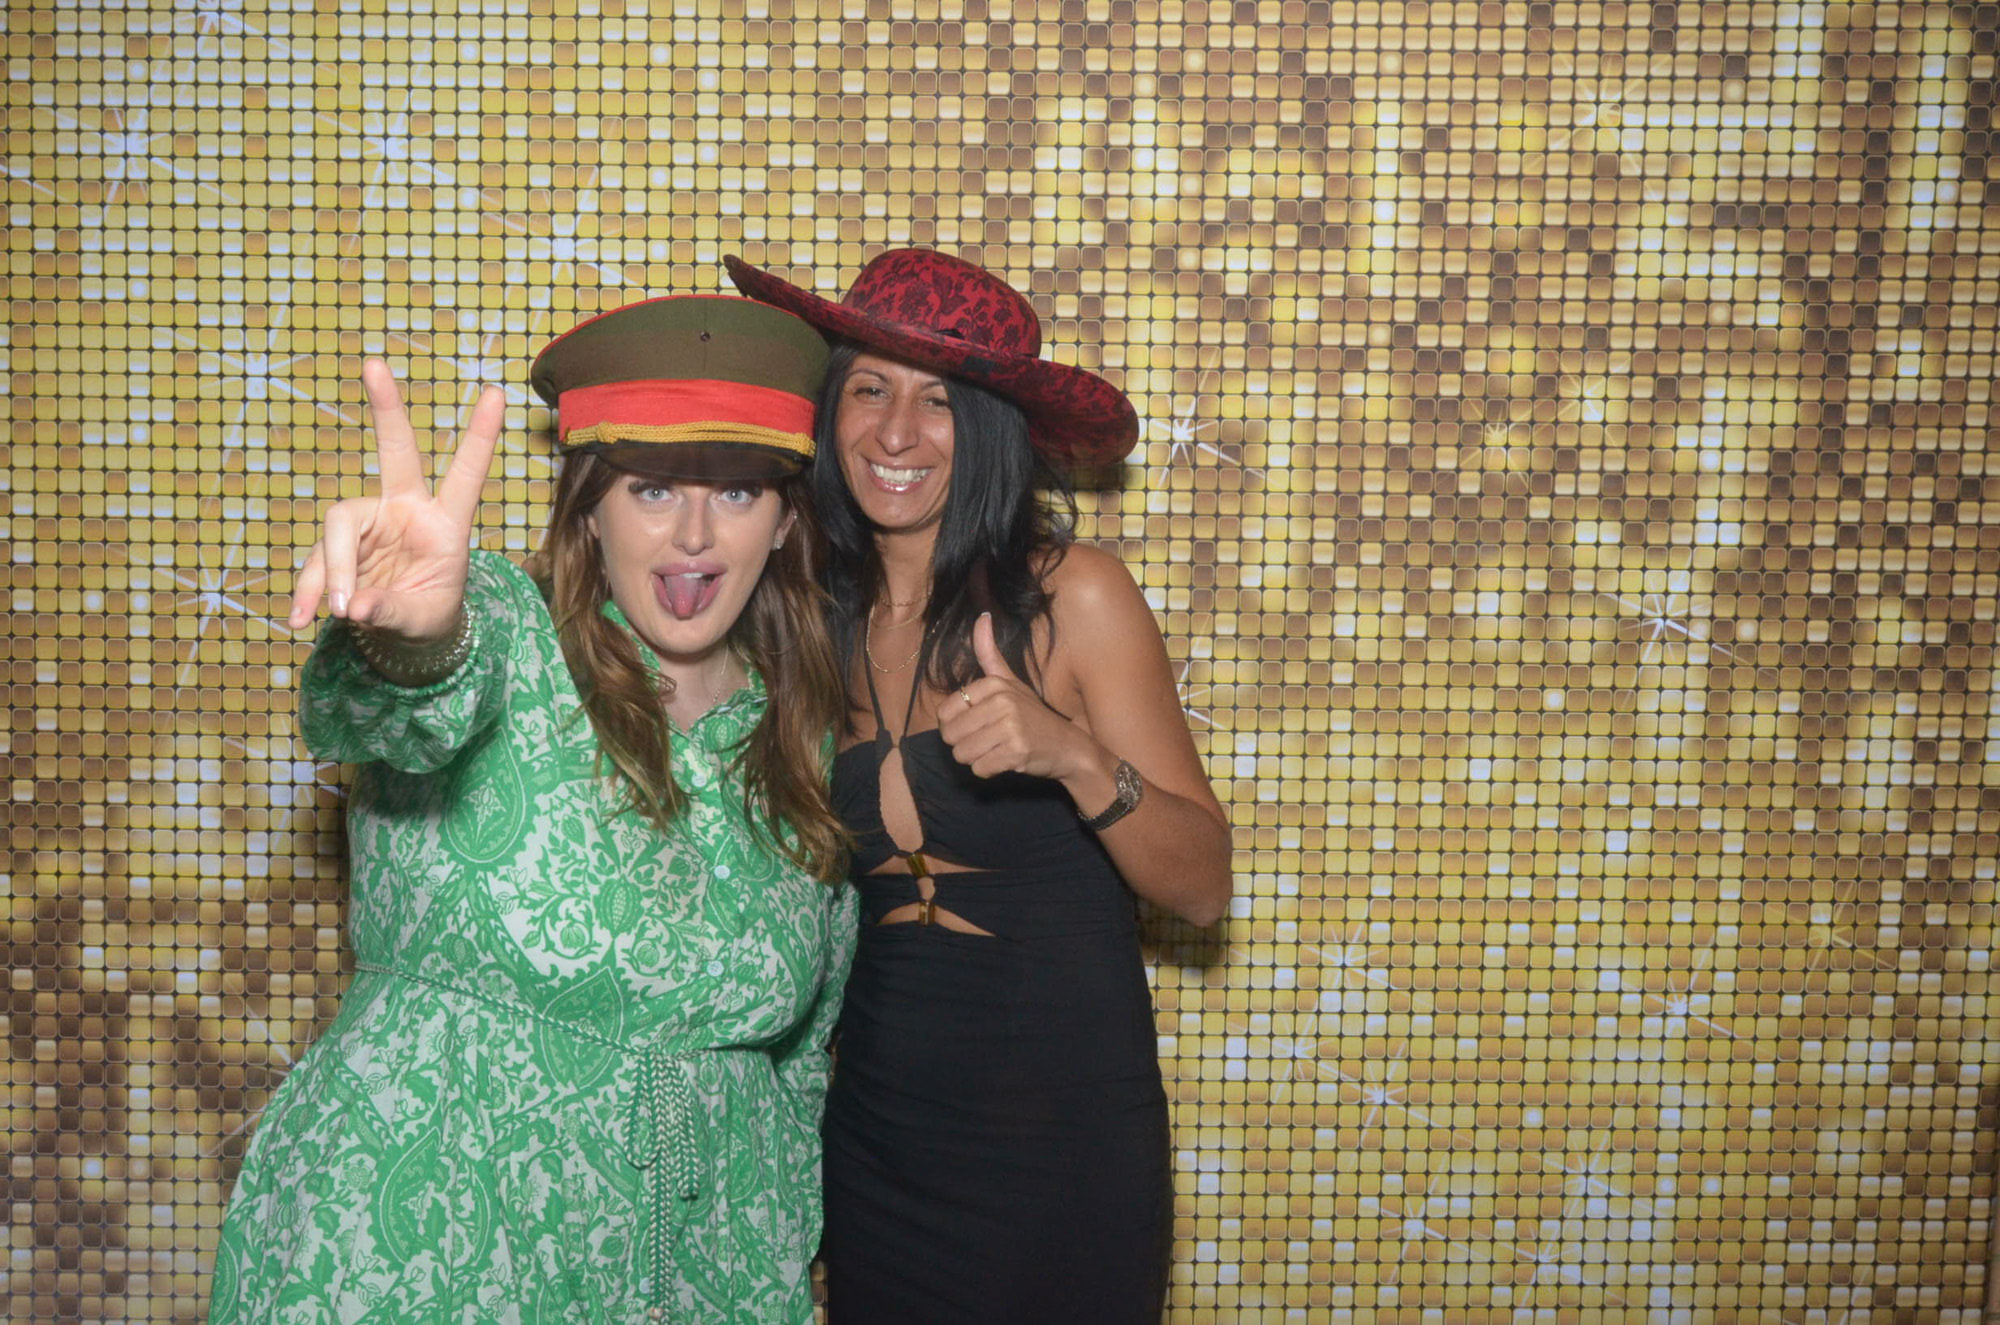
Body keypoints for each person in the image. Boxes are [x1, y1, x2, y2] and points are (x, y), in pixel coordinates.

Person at [206, 295, 858, 1325]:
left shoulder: (804, 739)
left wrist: (782, 1268)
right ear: (588, 510)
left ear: (784, 523)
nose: (694, 533)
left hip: (697, 1287)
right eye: (651, 488)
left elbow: (796, 1068)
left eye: (737, 491)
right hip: (414, 1268)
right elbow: (403, 701)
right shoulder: (507, 633)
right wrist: (411, 638)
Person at [725, 248, 1234, 1322]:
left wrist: (1074, 755)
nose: (895, 433)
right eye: (869, 389)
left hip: (1063, 1156)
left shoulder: (1075, 597)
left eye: (940, 402)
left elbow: (1201, 885)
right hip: (877, 1147)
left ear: (993, 431)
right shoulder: (804, 621)